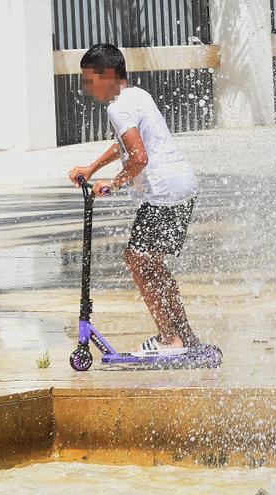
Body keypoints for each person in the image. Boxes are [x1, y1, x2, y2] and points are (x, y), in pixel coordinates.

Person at [68, 43, 200, 357]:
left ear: (108, 75)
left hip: (163, 193)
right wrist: (92, 168)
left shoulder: (118, 107)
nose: (88, 87)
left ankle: (169, 337)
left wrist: (111, 184)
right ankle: (183, 333)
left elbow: (138, 157)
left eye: (91, 79)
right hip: (183, 187)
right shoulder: (137, 96)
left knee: (138, 260)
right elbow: (125, 147)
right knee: (150, 264)